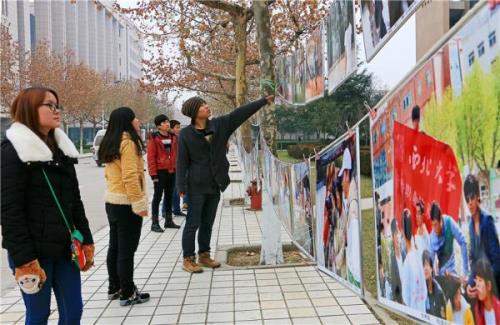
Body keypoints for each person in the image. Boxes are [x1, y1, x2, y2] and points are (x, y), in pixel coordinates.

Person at [1, 87, 94, 324]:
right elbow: (10, 211)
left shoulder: (61, 150)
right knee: (38, 315)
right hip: (33, 253)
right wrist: (24, 260)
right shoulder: (13, 151)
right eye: (49, 105)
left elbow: (74, 201)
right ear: (30, 110)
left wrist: (87, 239)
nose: (56, 111)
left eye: (57, 105)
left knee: (74, 311)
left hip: (65, 249)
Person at [177, 95, 274, 273]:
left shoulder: (219, 125)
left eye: (206, 104)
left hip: (215, 182)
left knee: (208, 222)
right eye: (202, 106)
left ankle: (204, 255)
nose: (207, 107)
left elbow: (240, 114)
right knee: (193, 223)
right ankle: (188, 259)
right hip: (196, 185)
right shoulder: (185, 134)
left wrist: (262, 101)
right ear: (194, 113)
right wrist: (181, 188)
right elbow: (181, 162)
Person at [98, 107, 150, 306]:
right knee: (127, 250)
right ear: (127, 121)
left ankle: (115, 287)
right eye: (135, 117)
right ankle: (127, 292)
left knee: (116, 247)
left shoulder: (111, 142)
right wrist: (138, 203)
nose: (138, 121)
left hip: (112, 202)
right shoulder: (127, 143)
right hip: (126, 203)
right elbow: (130, 176)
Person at [463, 175, 500, 300]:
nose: (470, 203)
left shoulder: (487, 220)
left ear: (478, 196)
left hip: (494, 289)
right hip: (481, 293)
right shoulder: (470, 226)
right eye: (467, 200)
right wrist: (470, 284)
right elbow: (473, 261)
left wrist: (486, 285)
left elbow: (497, 260)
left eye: (472, 197)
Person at [147, 114, 180, 232]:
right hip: (160, 172)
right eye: (164, 122)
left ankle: (169, 221)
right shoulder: (154, 138)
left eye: (168, 121)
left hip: (172, 171)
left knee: (169, 196)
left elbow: (177, 155)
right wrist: (153, 174)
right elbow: (151, 157)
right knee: (157, 197)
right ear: (158, 125)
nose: (167, 124)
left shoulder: (174, 137)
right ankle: (155, 223)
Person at [429, 201, 469, 277]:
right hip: (442, 276)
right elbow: (430, 261)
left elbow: (463, 242)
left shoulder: (449, 222)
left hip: (454, 273)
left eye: (436, 225)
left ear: (441, 219)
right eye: (432, 225)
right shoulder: (432, 236)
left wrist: (465, 272)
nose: (434, 228)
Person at [401, 209, 427, 312]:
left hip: (414, 312)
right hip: (422, 310)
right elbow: (424, 291)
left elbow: (406, 297)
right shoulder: (418, 254)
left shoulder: (407, 262)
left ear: (403, 233)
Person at [165, 119, 187, 217]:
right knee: (169, 191)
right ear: (171, 128)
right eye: (177, 127)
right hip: (169, 168)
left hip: (178, 166)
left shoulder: (177, 138)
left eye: (179, 127)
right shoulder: (168, 138)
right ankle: (165, 211)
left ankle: (177, 210)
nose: (179, 129)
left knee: (176, 189)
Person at [472, 258, 500, 325]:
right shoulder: (477, 309)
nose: (477, 285)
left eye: (480, 280)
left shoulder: (498, 309)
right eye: (476, 280)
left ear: (489, 285)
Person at [422, 250, 446, 318]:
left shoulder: (439, 292)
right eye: (423, 266)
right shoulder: (421, 290)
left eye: (426, 264)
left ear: (431, 268)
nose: (425, 269)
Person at [390, 218, 403, 304]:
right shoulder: (392, 260)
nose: (398, 236)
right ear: (392, 236)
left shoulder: (405, 256)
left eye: (399, 232)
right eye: (396, 233)